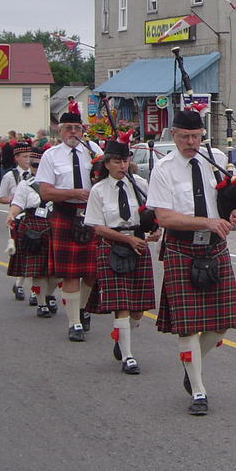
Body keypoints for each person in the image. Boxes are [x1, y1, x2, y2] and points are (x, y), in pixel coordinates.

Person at [146, 110, 236, 415]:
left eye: (196, 136)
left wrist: (232, 214)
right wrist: (207, 222)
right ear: (173, 135)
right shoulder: (163, 169)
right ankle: (198, 390)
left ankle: (192, 367)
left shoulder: (213, 162)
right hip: (181, 248)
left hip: (214, 248)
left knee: (220, 325)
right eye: (185, 137)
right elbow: (164, 217)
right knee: (187, 328)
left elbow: (224, 201)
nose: (191, 142)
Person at [84, 141, 160, 375]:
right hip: (113, 247)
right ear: (106, 164)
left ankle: (122, 338)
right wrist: (127, 240)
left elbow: (154, 214)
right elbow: (97, 227)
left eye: (125, 160)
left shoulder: (140, 184)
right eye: (117, 161)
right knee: (122, 306)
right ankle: (128, 356)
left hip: (138, 246)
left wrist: (156, 230)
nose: (122, 165)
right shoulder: (99, 190)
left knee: (137, 309)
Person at [37, 112, 104, 342]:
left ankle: (83, 309)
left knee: (92, 272)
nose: (73, 132)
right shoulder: (51, 155)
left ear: (83, 129)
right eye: (68, 128)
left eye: (77, 127)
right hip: (65, 213)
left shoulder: (94, 151)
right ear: (60, 130)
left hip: (92, 214)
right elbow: (45, 192)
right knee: (70, 273)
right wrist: (73, 193)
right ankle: (74, 322)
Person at [5, 147, 58, 318]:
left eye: (40, 165)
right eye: (33, 165)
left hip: (55, 225)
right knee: (39, 272)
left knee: (59, 274)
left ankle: (49, 294)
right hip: (33, 227)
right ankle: (41, 302)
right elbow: (18, 203)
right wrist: (11, 214)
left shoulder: (57, 183)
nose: (36, 168)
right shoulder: (25, 185)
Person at [0, 143, 34, 301]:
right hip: (18, 218)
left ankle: (35, 291)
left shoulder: (37, 175)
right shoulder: (10, 176)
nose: (28, 159)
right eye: (25, 157)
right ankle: (19, 285)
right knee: (20, 253)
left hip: (34, 218)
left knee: (34, 251)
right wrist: (14, 200)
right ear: (17, 158)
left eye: (29, 156)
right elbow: (0, 197)